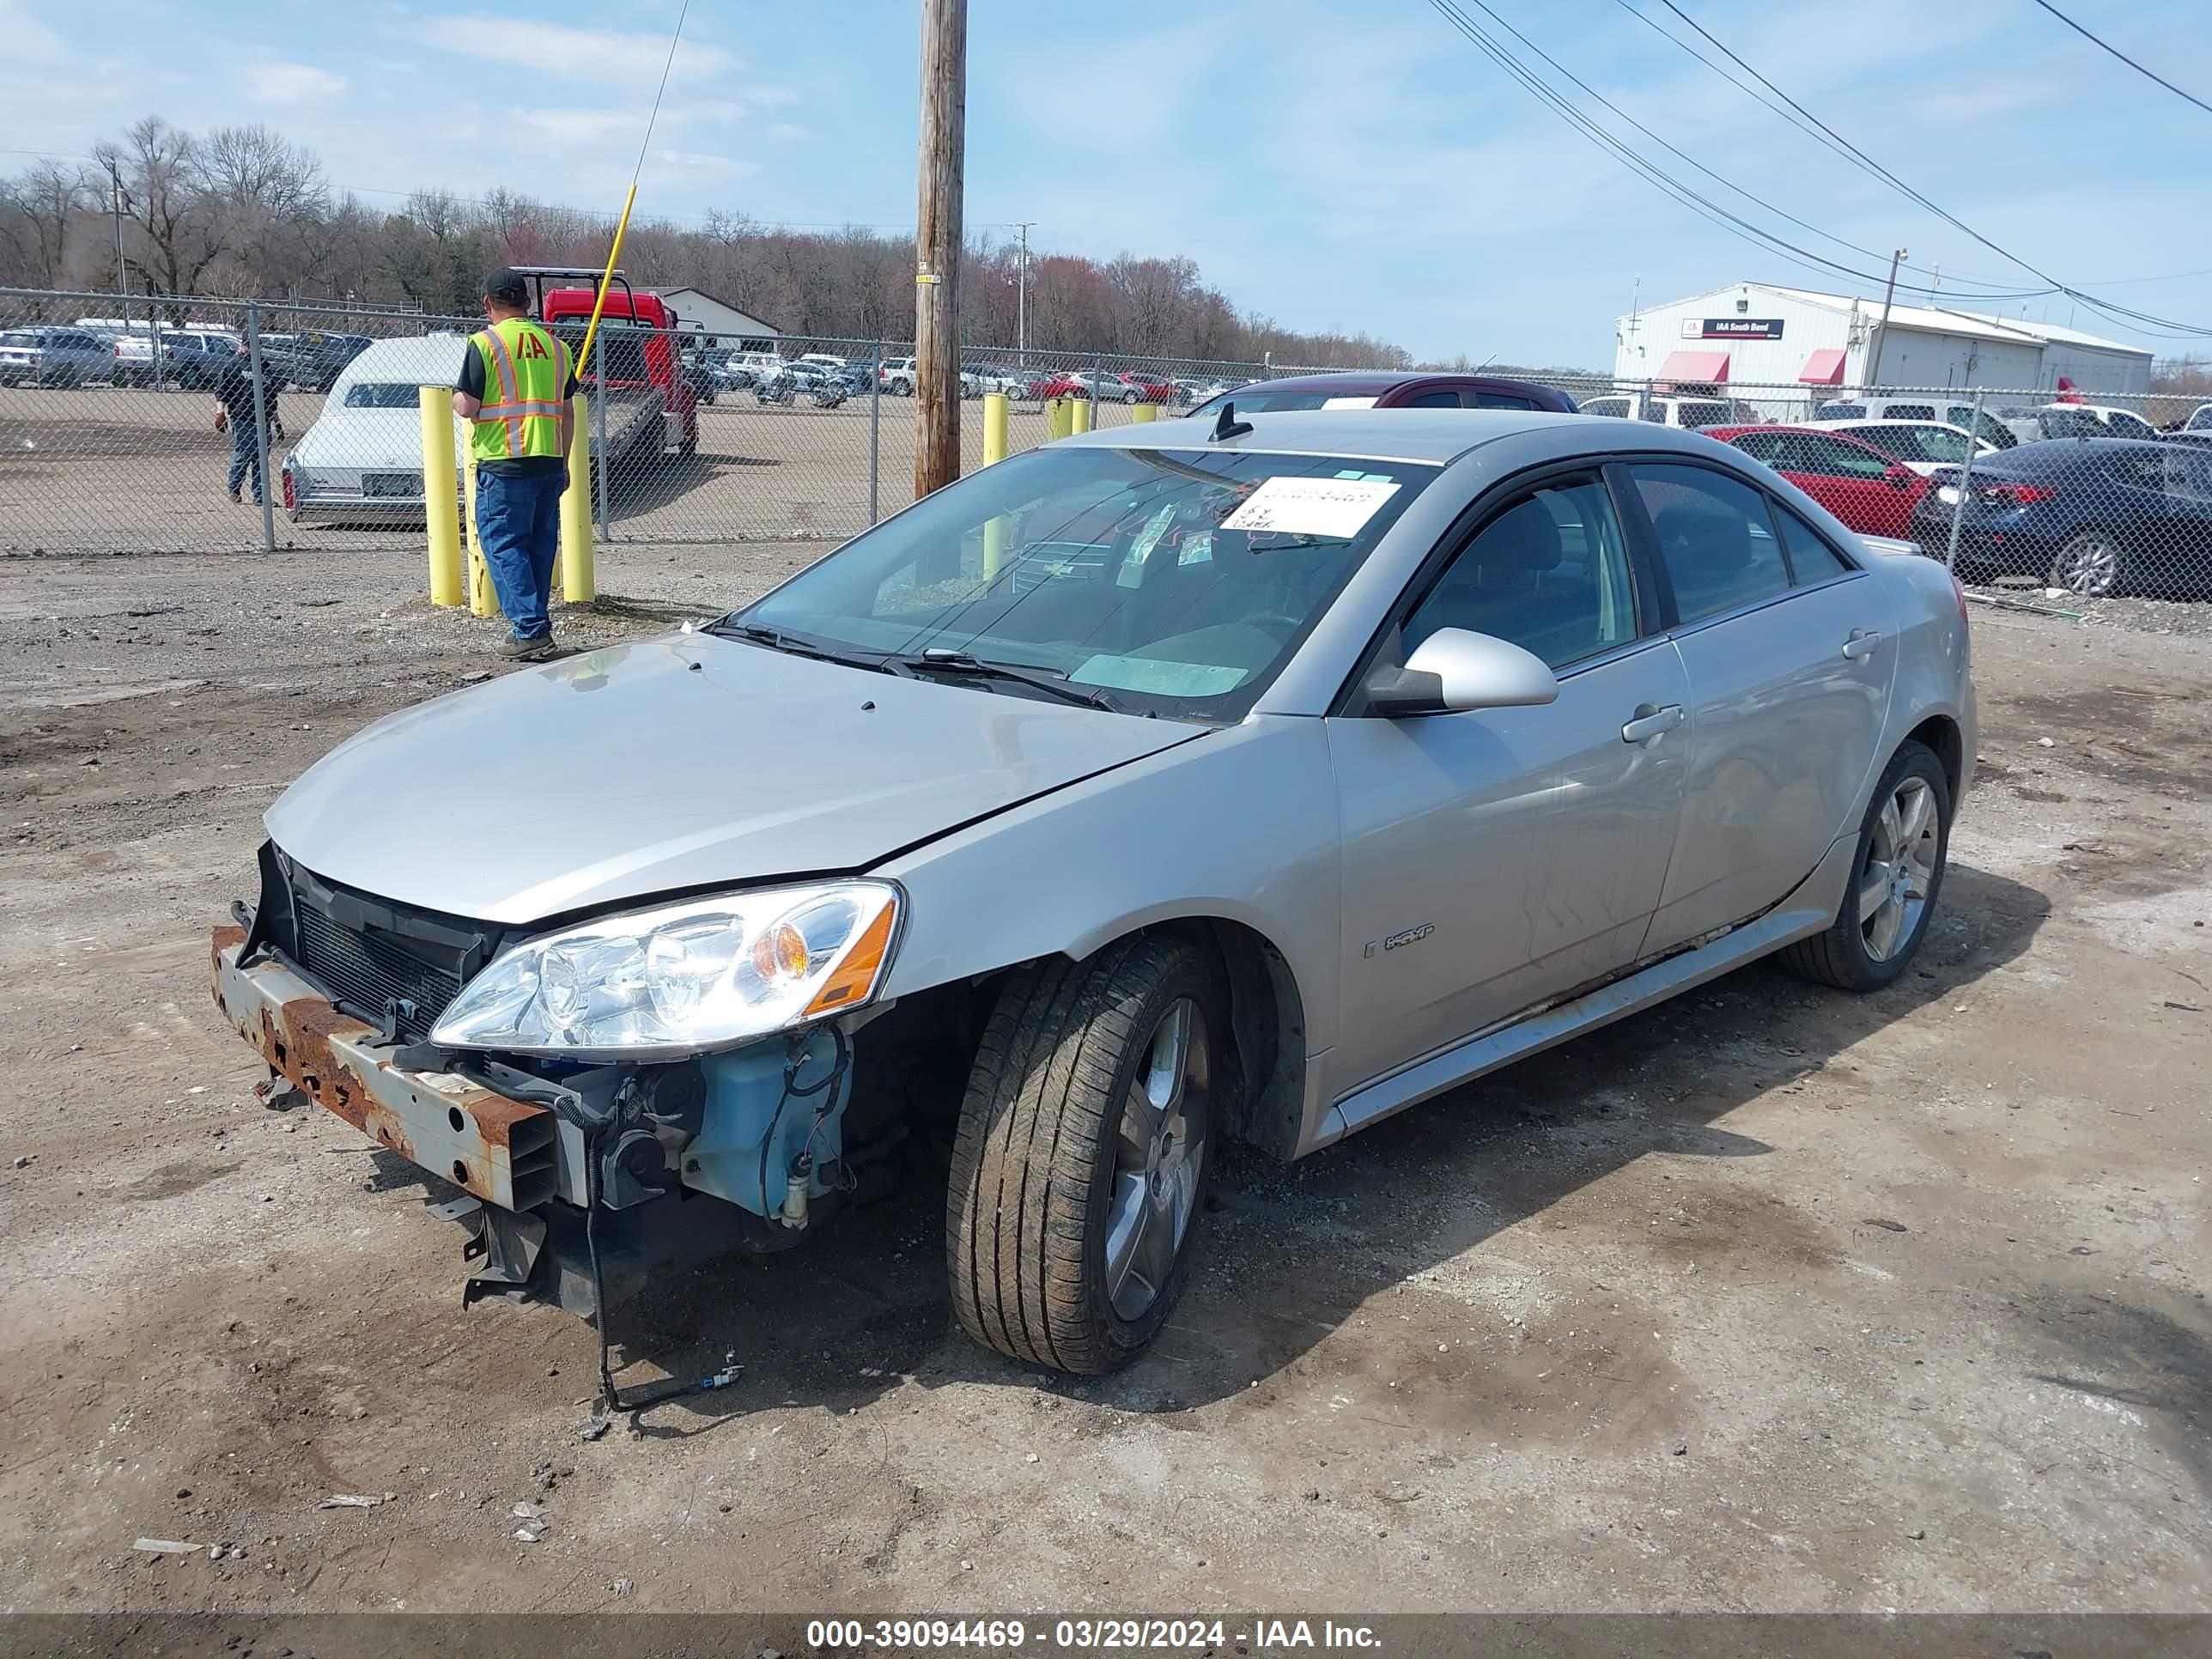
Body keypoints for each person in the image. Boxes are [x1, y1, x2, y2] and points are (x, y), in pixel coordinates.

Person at [453, 267, 579, 662]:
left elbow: (467, 406)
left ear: (488, 304)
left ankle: (530, 629)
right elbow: (568, 410)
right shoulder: (557, 347)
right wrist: (565, 460)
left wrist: (457, 399)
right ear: (527, 303)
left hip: (505, 460)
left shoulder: (485, 344)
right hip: (548, 461)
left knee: (504, 545)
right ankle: (532, 625)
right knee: (539, 546)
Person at [213, 346, 280, 506]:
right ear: (242, 346)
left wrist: (277, 422)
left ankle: (260, 496)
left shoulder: (264, 365)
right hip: (242, 417)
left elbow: (272, 397)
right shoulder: (234, 365)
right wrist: (220, 413)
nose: (252, 348)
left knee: (261, 458)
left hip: (264, 419)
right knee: (244, 454)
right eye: (249, 344)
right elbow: (222, 392)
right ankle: (234, 488)